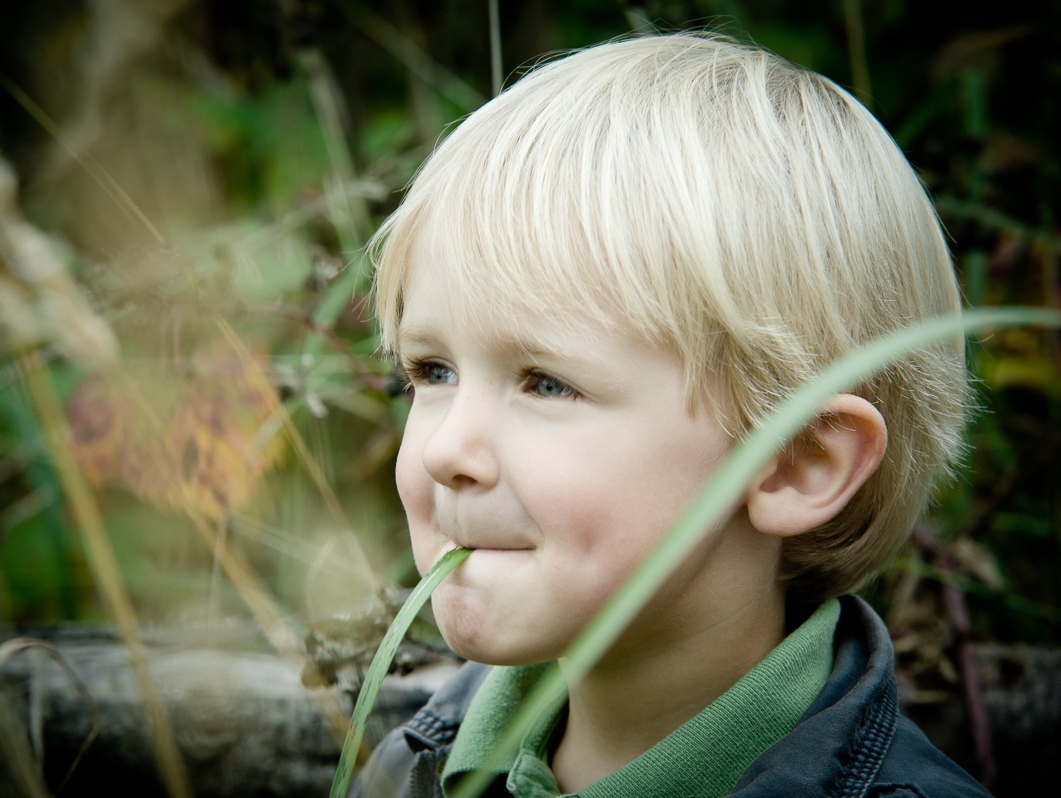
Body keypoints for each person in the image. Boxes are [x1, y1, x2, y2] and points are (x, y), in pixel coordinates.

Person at [352, 32, 991, 798]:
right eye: (433, 371)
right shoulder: (408, 768)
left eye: (546, 384)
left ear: (796, 461)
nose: (444, 449)